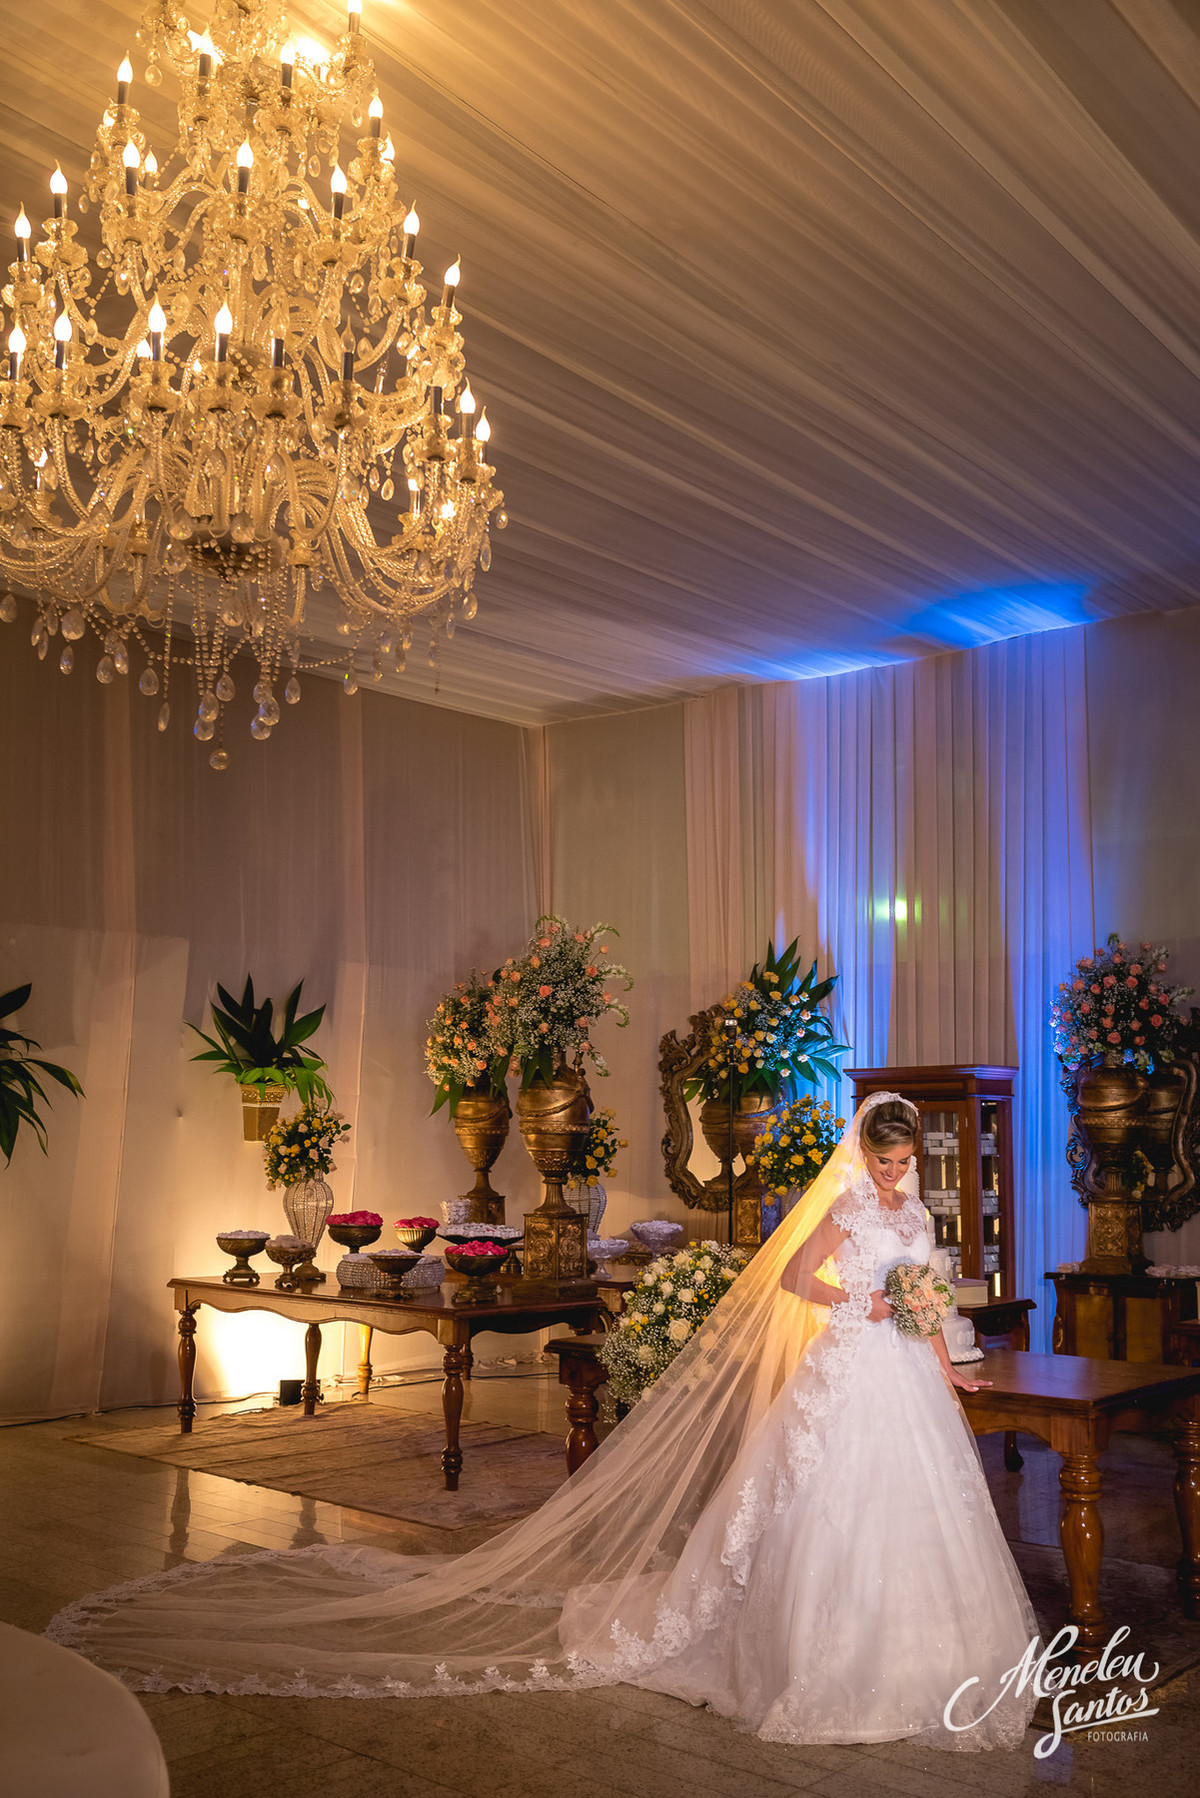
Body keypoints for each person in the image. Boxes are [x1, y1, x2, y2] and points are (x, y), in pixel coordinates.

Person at [49, 1094, 1036, 1751]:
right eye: (890, 1158)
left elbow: (922, 1293)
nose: (901, 1175)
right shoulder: (847, 1208)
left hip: (901, 1379)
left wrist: (948, 1362)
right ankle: (819, 1658)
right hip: (846, 1371)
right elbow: (791, 1277)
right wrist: (857, 1306)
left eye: (909, 1162)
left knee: (920, 1516)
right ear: (866, 1151)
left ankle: (926, 1658)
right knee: (825, 1513)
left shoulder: (913, 1219)